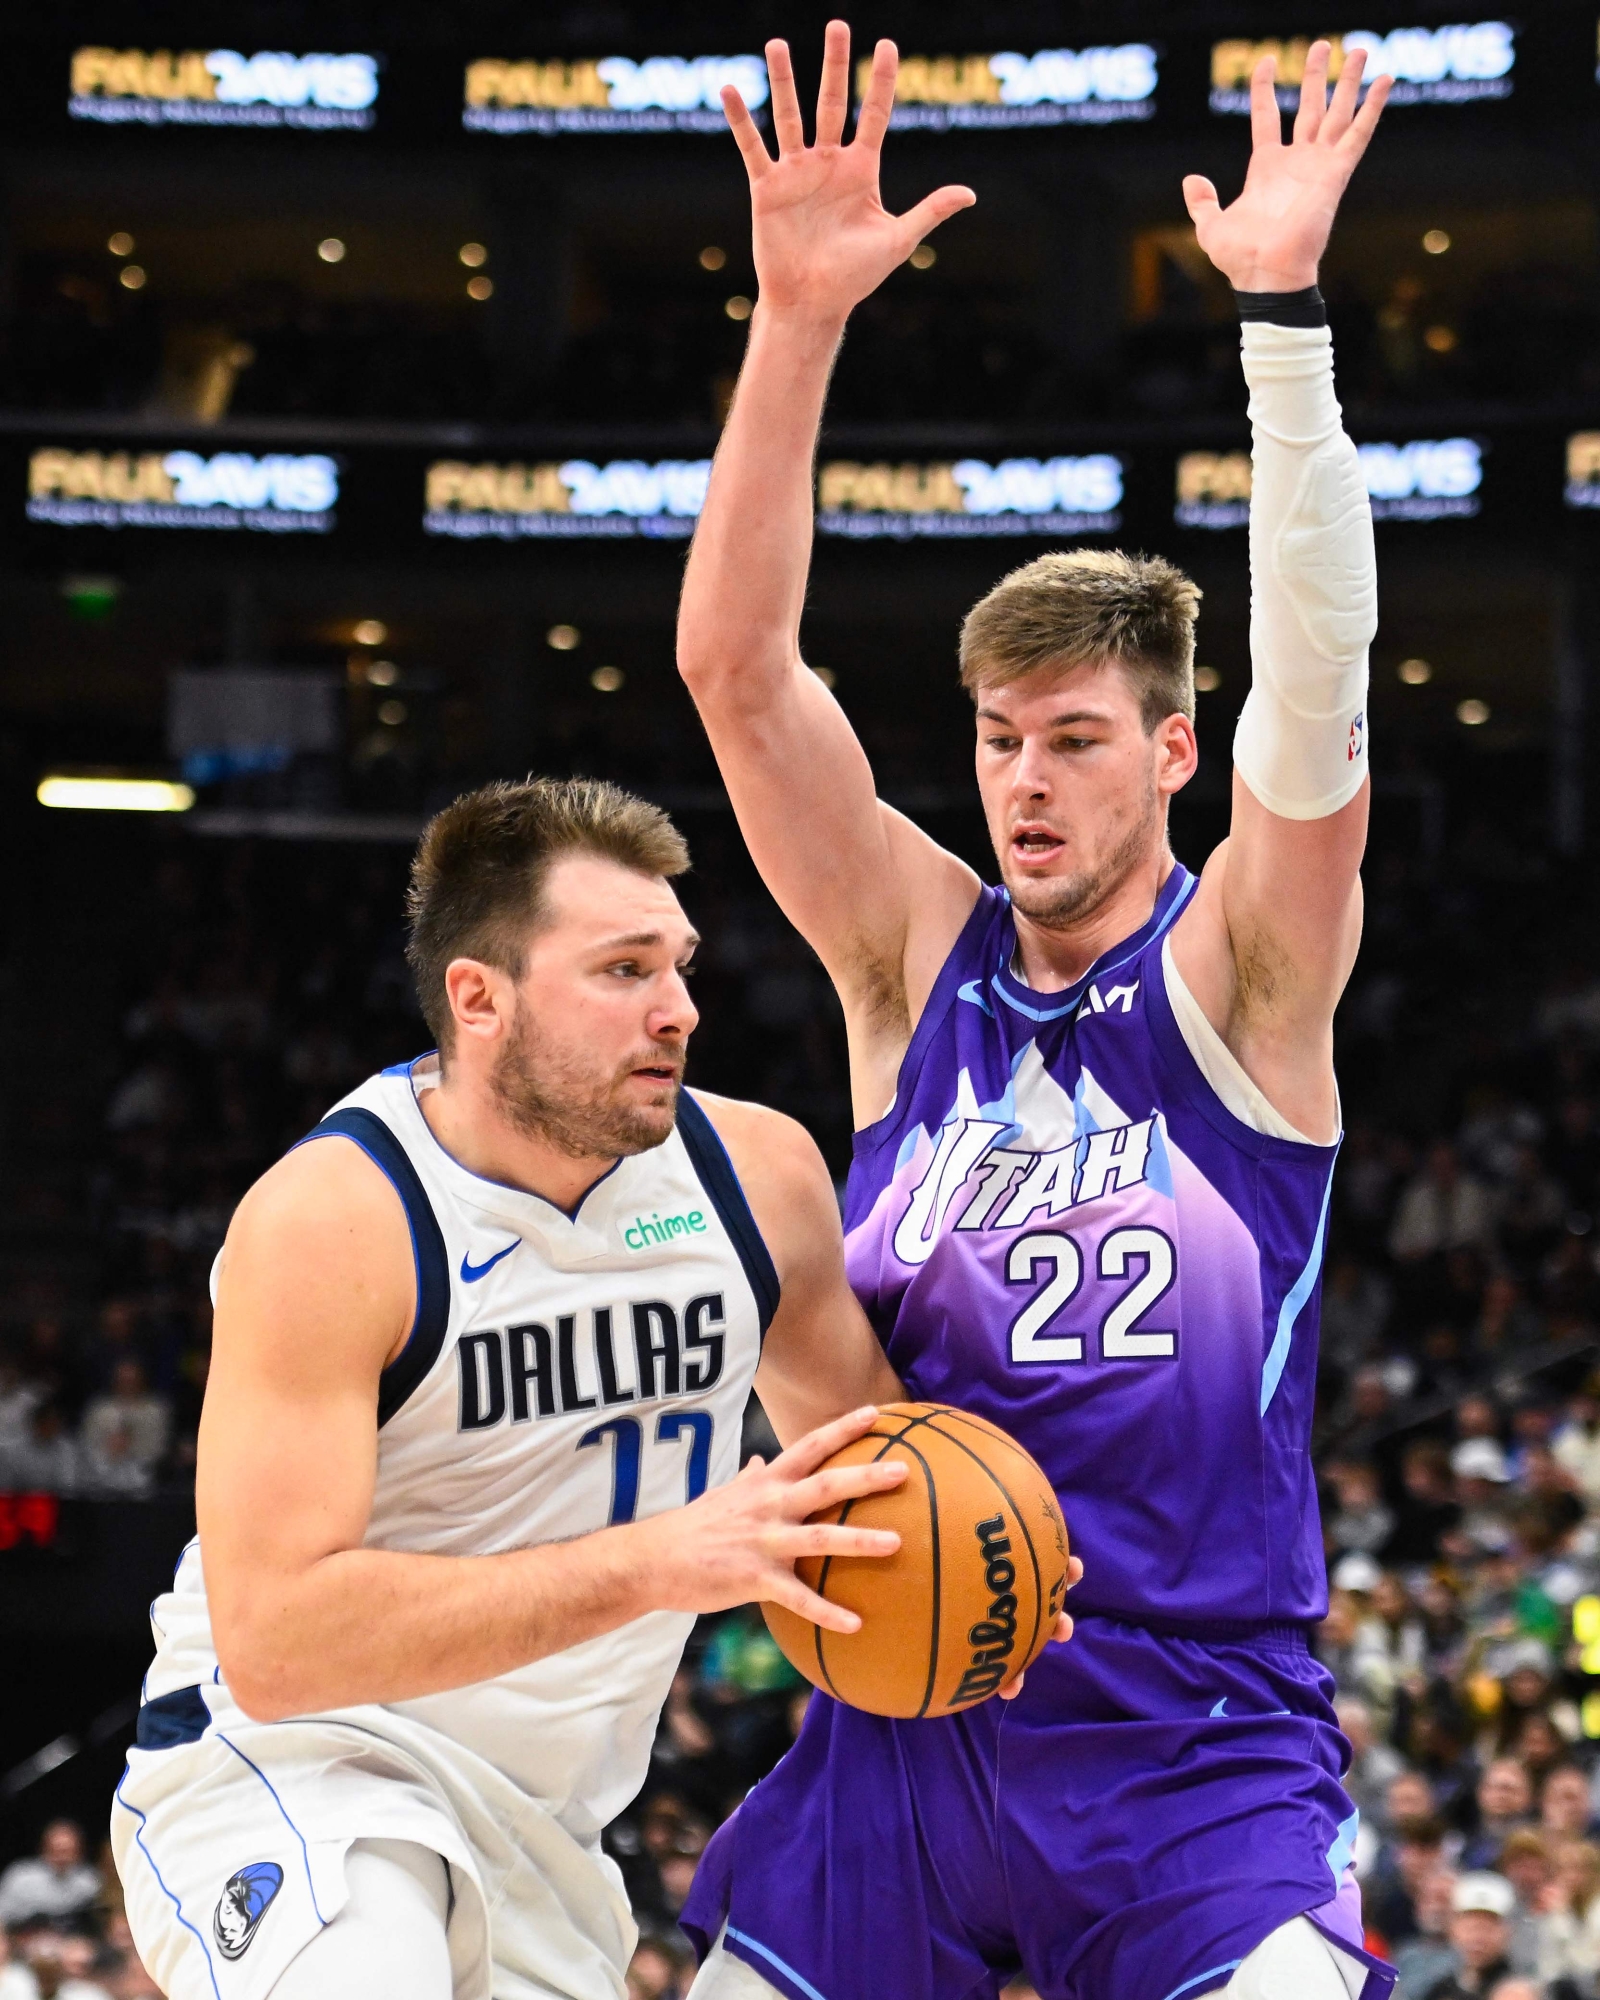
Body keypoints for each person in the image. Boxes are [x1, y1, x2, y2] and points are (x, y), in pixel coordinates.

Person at [675, 19, 1391, 2000]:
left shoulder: (1245, 971)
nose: (1021, 783)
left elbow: (1318, 689)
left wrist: (1279, 328)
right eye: (996, 742)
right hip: (892, 1735)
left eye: (1072, 741)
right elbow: (736, 675)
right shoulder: (916, 959)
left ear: (1171, 749)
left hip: (1179, 1738)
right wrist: (795, 318)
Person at [110, 778, 946, 2000]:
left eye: (680, 965)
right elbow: (279, 1644)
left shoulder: (754, 1176)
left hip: (548, 1828)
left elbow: (887, 1481)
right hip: (295, 1760)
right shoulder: (340, 1218)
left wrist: (1007, 1603)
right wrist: (661, 1562)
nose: (678, 1010)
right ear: (478, 997)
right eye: (623, 971)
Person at [1421, 1874, 1516, 1999]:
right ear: (1453, 1929)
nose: (1478, 1938)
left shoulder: (1516, 1991)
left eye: (1487, 1929)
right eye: (1470, 1928)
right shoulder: (1441, 1989)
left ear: (1507, 1933)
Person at [0, 1824, 100, 1932]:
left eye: (68, 1851)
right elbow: (2, 1916)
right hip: (25, 1937)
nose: (62, 1857)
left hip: (72, 1941)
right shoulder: (20, 1877)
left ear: (79, 1852)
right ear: (43, 1849)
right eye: (56, 1850)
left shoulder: (91, 1881)